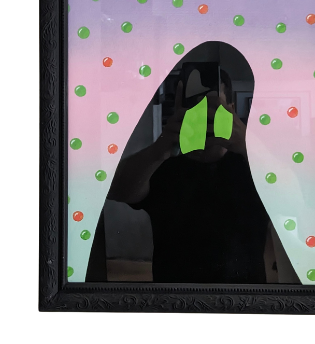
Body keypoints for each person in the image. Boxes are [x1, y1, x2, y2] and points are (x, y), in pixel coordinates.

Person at [105, 69, 297, 283]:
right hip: (175, 295)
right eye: (194, 106)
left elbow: (294, 201)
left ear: (231, 110)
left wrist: (247, 144)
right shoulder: (162, 164)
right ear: (179, 110)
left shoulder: (253, 165)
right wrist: (160, 147)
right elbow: (114, 190)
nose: (204, 114)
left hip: (242, 295)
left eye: (212, 106)